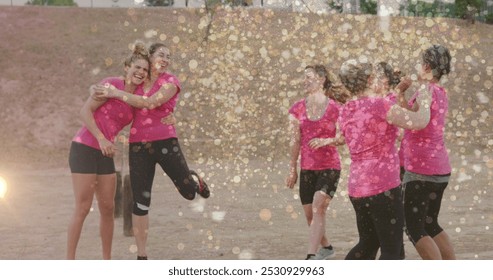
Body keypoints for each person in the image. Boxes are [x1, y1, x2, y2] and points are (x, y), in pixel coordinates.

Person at [94, 42, 210, 260]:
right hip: (139, 147)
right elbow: (111, 87)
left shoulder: (171, 81)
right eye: (161, 55)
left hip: (166, 142)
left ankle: (194, 180)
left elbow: (151, 102)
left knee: (188, 193)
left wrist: (117, 93)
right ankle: (142, 256)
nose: (165, 59)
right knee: (140, 202)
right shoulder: (137, 80)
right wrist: (99, 90)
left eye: (168, 56)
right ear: (150, 57)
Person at [338, 58, 432, 260]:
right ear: (370, 78)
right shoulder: (380, 105)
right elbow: (419, 121)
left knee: (368, 244)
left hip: (357, 188)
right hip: (383, 187)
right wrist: (425, 101)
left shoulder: (345, 109)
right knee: (393, 252)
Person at [67, 43, 150, 260]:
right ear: (127, 68)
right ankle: (69, 262)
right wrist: (102, 138)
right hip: (84, 147)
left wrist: (169, 116)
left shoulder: (138, 97)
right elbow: (85, 111)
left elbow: (153, 108)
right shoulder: (111, 84)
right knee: (83, 207)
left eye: (145, 70)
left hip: (106, 153)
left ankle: (107, 261)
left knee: (108, 207)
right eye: (137, 67)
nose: (141, 72)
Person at [398, 45, 456, 260]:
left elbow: (415, 121)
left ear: (426, 66)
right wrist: (402, 92)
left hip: (421, 168)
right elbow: (411, 117)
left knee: (413, 228)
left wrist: (393, 102)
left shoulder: (424, 91)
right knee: (430, 223)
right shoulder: (438, 92)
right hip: (439, 167)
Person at [285, 65, 343, 260]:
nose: (305, 80)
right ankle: (326, 247)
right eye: (304, 77)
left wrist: (328, 140)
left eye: (308, 77)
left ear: (321, 79)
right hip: (307, 168)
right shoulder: (297, 109)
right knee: (310, 215)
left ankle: (311, 256)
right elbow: (295, 141)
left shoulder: (336, 108)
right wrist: (292, 168)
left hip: (330, 166)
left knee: (319, 206)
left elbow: (344, 137)